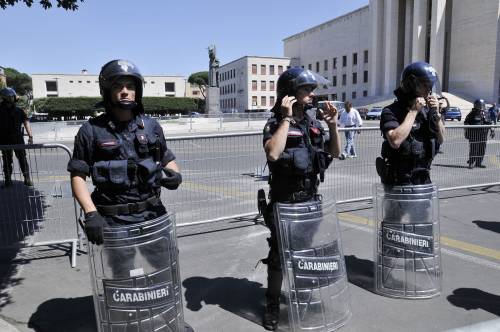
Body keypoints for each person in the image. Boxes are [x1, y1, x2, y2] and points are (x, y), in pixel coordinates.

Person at [260, 67, 341, 331]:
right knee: (279, 256)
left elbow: (335, 153)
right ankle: (272, 302)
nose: (312, 95)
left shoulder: (314, 125)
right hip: (284, 203)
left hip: (310, 200)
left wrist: (332, 125)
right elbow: (273, 154)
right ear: (290, 94)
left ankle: (302, 299)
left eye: (312, 89)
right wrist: (285, 119)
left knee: (306, 253)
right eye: (306, 90)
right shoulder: (275, 124)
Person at [377, 61, 445, 185]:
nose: (429, 89)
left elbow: (441, 139)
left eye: (431, 85)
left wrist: (436, 115)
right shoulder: (391, 111)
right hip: (399, 185)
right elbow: (395, 141)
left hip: (423, 182)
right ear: (411, 85)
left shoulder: (426, 111)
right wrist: (413, 111)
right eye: (426, 84)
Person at [0, 87, 33, 187]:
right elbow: (26, 122)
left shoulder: (19, 110)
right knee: (7, 160)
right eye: (11, 96)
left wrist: (30, 136)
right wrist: (30, 136)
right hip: (5, 139)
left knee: (21, 159)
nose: (13, 98)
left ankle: (26, 178)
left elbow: (26, 122)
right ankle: (8, 180)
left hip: (16, 139)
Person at [464, 99, 494, 168]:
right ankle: (471, 162)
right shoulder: (472, 114)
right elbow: (466, 122)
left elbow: (489, 123)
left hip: (483, 135)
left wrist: (492, 131)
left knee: (482, 149)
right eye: (480, 105)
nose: (481, 106)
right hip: (474, 135)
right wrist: (467, 130)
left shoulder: (486, 113)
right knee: (473, 149)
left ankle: (479, 162)